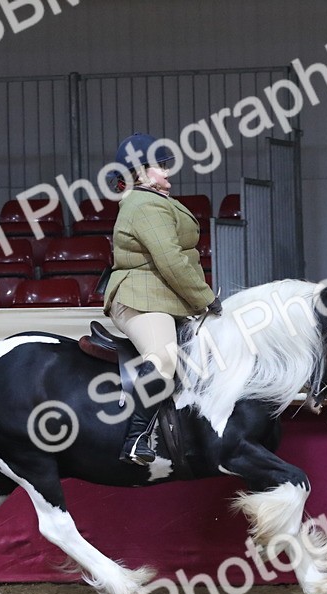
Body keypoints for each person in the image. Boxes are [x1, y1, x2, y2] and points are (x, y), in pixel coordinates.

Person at [103, 132, 221, 465]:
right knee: (164, 357)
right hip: (140, 298)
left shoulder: (155, 199)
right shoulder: (143, 205)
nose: (167, 173)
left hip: (166, 297)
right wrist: (205, 298)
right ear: (139, 172)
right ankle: (136, 437)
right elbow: (170, 259)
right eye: (160, 167)